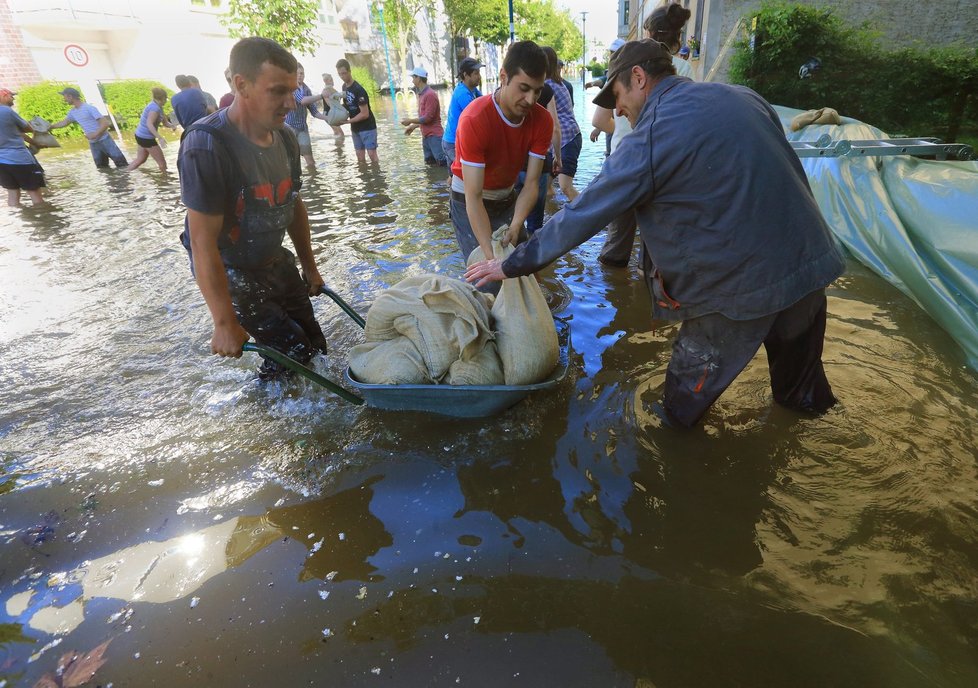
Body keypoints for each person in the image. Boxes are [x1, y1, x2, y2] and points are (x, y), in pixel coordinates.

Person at [466, 39, 845, 428]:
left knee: (677, 415)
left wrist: (512, 264)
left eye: (617, 97)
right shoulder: (745, 96)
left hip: (737, 291)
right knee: (804, 401)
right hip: (809, 267)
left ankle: (673, 479)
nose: (619, 111)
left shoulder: (651, 133)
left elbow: (584, 212)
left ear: (638, 78)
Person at [177, 36, 328, 380]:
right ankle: (278, 423)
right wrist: (224, 322)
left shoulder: (287, 139)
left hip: (273, 257)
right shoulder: (206, 145)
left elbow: (295, 205)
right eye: (277, 91)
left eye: (293, 90)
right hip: (232, 270)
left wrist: (310, 267)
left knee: (316, 345)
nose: (290, 102)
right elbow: (201, 242)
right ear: (240, 84)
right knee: (293, 355)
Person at [450, 40, 553, 292]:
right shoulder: (475, 118)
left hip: (507, 196)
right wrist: (491, 259)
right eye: (524, 88)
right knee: (490, 283)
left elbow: (531, 185)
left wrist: (517, 224)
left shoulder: (542, 120)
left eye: (538, 91)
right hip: (469, 199)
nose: (530, 100)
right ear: (503, 77)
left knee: (529, 274)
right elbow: (474, 197)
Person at [596, 4, 694, 266]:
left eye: (618, 98)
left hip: (627, 164)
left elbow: (599, 119)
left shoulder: (626, 63)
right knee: (656, 257)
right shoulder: (686, 72)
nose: (618, 109)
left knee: (614, 251)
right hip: (667, 172)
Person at [49, 87, 128, 169]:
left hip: (105, 140)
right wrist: (50, 127)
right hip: (94, 144)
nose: (64, 99)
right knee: (102, 169)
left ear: (70, 96)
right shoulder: (72, 112)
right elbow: (64, 123)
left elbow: (105, 123)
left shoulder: (89, 108)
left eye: (64, 97)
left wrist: (95, 134)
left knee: (122, 165)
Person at [542, 46, 580, 202]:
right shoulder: (560, 82)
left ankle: (588, 218)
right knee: (545, 186)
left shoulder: (547, 86)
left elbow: (555, 125)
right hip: (564, 139)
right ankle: (552, 215)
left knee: (565, 186)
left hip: (566, 139)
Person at [0, 88, 45, 207]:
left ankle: (20, 219)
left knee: (13, 194)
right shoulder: (7, 111)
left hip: (1, 163)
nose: (13, 98)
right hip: (19, 159)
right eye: (11, 95)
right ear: (3, 96)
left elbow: (16, 132)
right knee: (34, 192)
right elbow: (28, 129)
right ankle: (46, 221)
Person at [441, 57, 482, 168]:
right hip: (452, 143)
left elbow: (484, 103)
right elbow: (478, 116)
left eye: (479, 73)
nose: (479, 76)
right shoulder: (462, 94)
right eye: (476, 73)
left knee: (456, 176)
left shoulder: (472, 89)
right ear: (465, 75)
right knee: (460, 174)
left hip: (457, 141)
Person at [335, 59, 378, 163]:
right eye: (339, 74)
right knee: (360, 158)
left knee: (372, 155)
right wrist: (335, 110)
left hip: (367, 127)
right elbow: (347, 105)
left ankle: (377, 176)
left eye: (344, 73)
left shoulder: (359, 90)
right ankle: (365, 177)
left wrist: (348, 121)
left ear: (349, 71)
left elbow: (365, 114)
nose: (342, 76)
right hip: (355, 128)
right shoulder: (344, 87)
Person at [400, 67, 446, 166]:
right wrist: (413, 126)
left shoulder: (430, 95)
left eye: (413, 77)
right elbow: (425, 119)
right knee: (430, 164)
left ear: (419, 78)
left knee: (441, 164)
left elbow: (428, 118)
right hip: (426, 136)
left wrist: (411, 121)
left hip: (434, 136)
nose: (412, 80)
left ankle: (444, 181)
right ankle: (433, 181)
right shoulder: (421, 94)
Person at [285, 62, 327, 168]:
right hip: (290, 128)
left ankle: (313, 178)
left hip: (302, 128)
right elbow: (303, 101)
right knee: (292, 160)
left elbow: (314, 111)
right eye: (298, 73)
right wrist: (321, 96)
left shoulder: (307, 89)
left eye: (302, 73)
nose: (300, 76)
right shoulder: (291, 87)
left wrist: (328, 118)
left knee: (310, 161)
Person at [127, 87, 174, 172]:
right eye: (166, 99)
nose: (166, 101)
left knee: (141, 159)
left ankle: (125, 174)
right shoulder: (154, 108)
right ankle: (164, 183)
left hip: (140, 135)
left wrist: (173, 126)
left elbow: (165, 123)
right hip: (146, 138)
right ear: (162, 98)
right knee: (162, 164)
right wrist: (160, 138)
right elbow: (149, 124)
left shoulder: (158, 106)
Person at [320, 74, 344, 138]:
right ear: (326, 81)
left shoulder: (332, 89)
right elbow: (330, 104)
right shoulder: (325, 91)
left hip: (331, 114)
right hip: (328, 114)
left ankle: (337, 146)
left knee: (336, 132)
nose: (333, 81)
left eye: (332, 79)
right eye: (331, 80)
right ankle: (339, 147)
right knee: (341, 134)